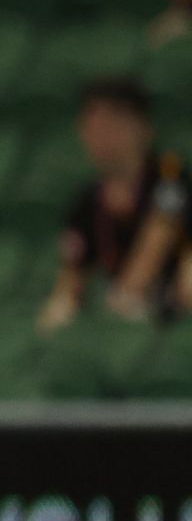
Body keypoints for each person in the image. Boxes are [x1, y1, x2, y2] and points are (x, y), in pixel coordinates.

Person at [37, 77, 190, 332]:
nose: (99, 136)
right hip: (124, 305)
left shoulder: (170, 174)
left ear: (140, 127)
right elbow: (72, 274)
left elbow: (157, 241)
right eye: (91, 125)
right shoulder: (87, 199)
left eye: (110, 123)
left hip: (168, 301)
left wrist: (123, 300)